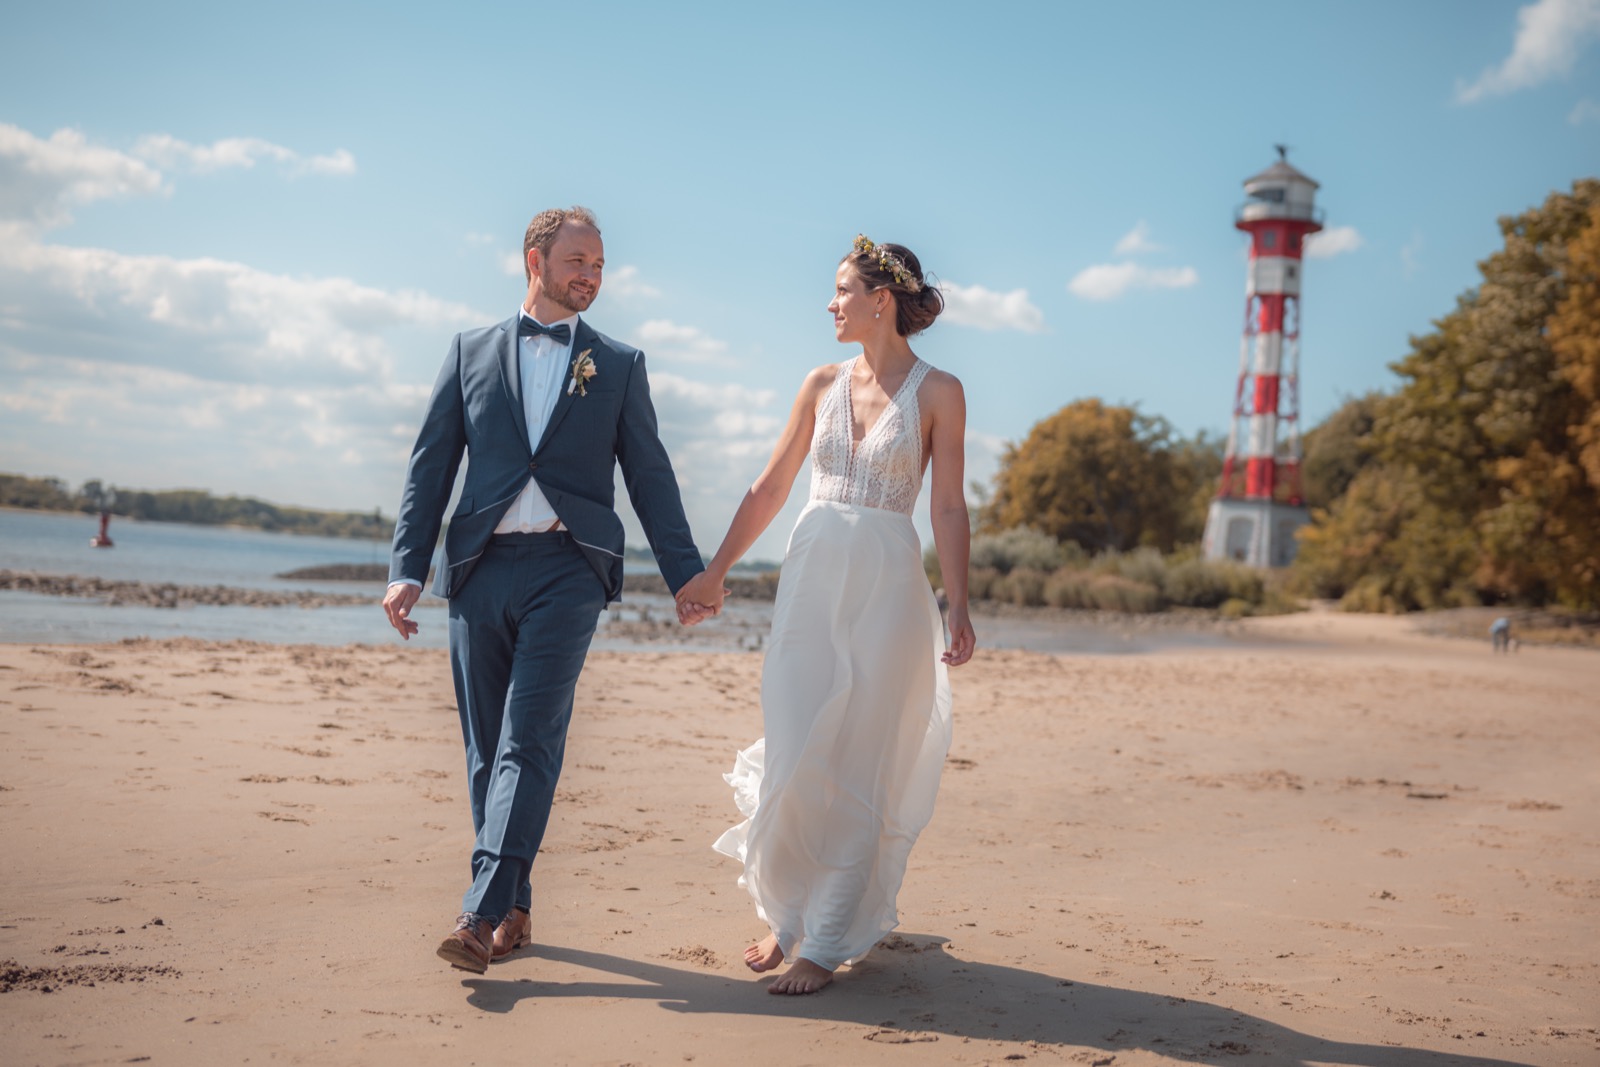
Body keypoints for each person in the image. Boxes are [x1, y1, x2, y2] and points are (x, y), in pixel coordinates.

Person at [383, 206, 709, 973]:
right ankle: (516, 900)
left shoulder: (618, 365)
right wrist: (406, 567)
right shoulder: (469, 352)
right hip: (478, 570)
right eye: (577, 260)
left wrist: (685, 573)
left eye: (599, 263)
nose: (590, 274)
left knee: (527, 742)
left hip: (570, 570)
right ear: (534, 260)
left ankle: (479, 914)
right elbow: (431, 464)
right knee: (485, 750)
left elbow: (650, 474)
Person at [677, 235, 976, 995]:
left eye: (842, 289)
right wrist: (713, 572)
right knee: (797, 745)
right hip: (811, 584)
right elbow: (770, 488)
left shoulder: (941, 392)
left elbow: (946, 504)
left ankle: (828, 938)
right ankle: (785, 917)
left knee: (861, 759)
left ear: (881, 299)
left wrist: (960, 602)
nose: (831, 302)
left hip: (888, 590)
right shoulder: (818, 383)